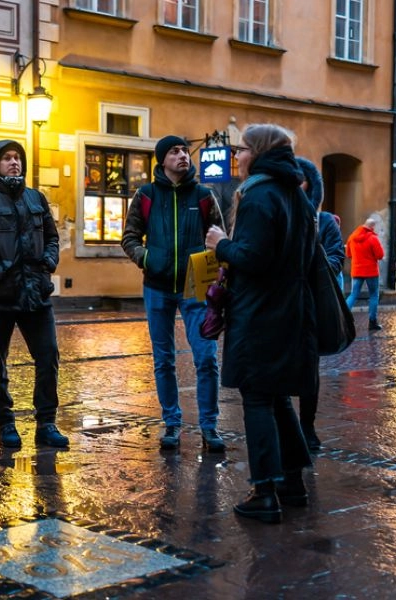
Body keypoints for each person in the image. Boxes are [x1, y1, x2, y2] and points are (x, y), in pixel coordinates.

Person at [205, 123, 316, 525]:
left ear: (261, 152)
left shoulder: (258, 196)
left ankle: (264, 490)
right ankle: (292, 482)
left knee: (257, 398)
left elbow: (253, 258)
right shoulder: (297, 196)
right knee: (278, 397)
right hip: (290, 311)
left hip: (259, 312)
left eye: (244, 149)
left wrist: (221, 244)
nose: (237, 155)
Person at [121, 135, 224, 452]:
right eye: (175, 151)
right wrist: (148, 258)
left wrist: (216, 268)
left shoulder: (204, 195)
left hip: (196, 289)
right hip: (157, 287)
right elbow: (129, 238)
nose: (183, 155)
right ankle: (172, 423)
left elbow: (218, 237)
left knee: (206, 358)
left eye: (184, 151)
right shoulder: (146, 195)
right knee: (163, 360)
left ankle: (209, 426)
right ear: (162, 160)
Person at [0, 140, 68, 449]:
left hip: (36, 292)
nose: (14, 163)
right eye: (7, 158)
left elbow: (53, 238)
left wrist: (49, 262)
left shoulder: (36, 198)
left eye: (17, 158)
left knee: (48, 355)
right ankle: (5, 422)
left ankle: (46, 423)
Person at [294, 157, 343, 453]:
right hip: (281, 304)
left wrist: (317, 265)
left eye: (302, 182)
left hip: (311, 302)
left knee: (309, 369)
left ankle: (307, 426)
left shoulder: (324, 221)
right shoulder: (279, 213)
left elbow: (338, 257)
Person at [345, 217, 385, 331]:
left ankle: (342, 317)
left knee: (353, 294)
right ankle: (372, 322)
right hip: (371, 271)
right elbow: (380, 255)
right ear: (372, 227)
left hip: (357, 270)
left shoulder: (352, 237)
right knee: (373, 295)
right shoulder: (373, 238)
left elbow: (348, 254)